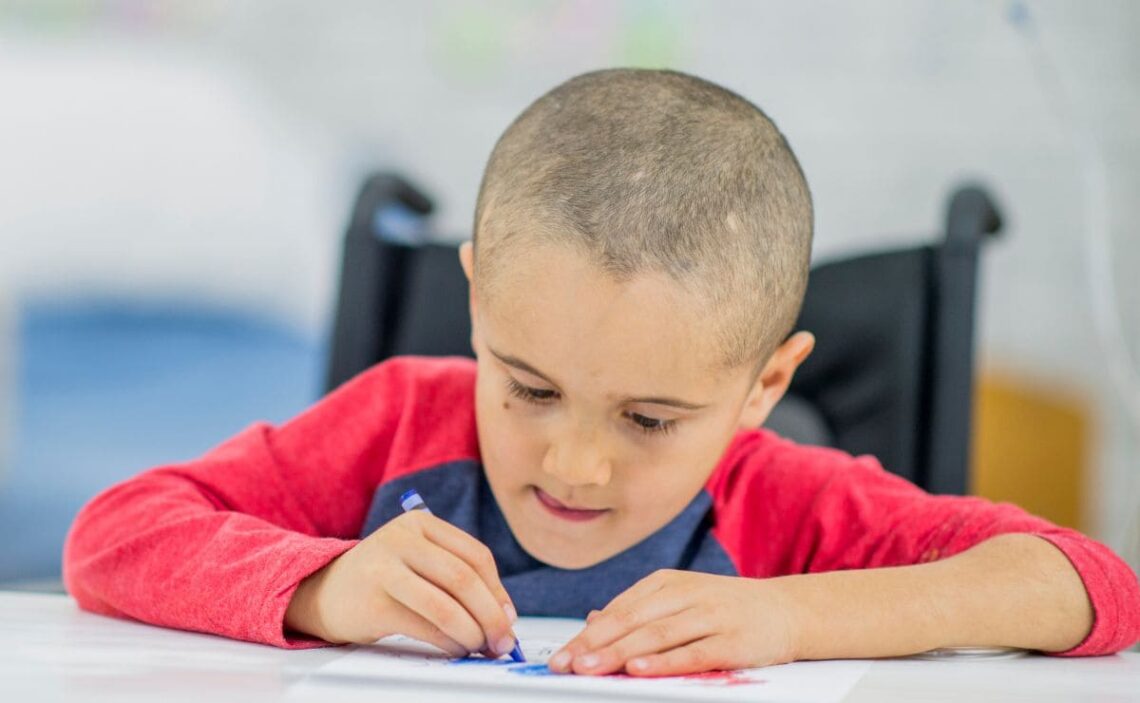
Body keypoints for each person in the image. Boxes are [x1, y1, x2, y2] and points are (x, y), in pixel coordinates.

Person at [64, 69, 1140, 677]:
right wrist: (320, 585)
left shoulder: (790, 501)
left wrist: (796, 618)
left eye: (650, 418)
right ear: (477, 301)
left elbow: (1093, 585)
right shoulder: (394, 424)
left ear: (766, 387)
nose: (574, 462)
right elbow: (111, 535)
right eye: (530, 389)